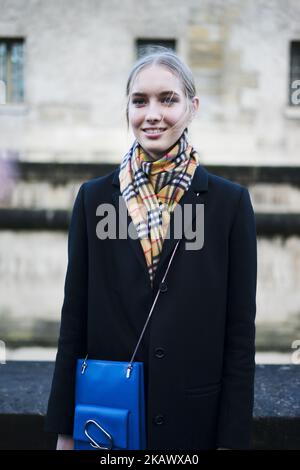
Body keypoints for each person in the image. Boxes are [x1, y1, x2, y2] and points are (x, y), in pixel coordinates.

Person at [45, 46, 257, 450]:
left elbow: (240, 333)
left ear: (192, 107)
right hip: (108, 422)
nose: (152, 114)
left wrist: (232, 439)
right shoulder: (94, 200)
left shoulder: (229, 204)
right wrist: (65, 429)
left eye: (168, 99)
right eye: (139, 101)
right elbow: (74, 320)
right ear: (127, 109)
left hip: (195, 421)